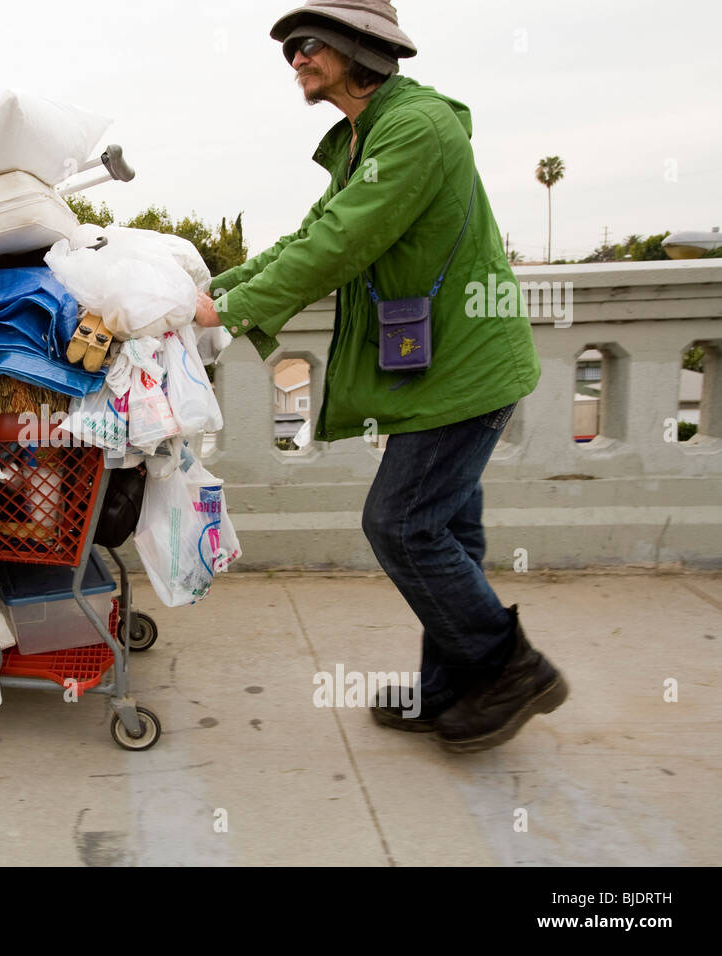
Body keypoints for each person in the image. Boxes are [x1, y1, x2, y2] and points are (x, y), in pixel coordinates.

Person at [194, 0, 567, 753]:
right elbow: (308, 235)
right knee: (450, 531)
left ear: (356, 46)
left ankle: (508, 667)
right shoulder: (370, 133)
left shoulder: (414, 128)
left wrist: (226, 312)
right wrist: (212, 289)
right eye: (289, 48)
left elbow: (340, 243)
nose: (295, 58)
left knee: (400, 524)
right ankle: (449, 689)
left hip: (467, 369)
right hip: (442, 369)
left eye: (307, 43)